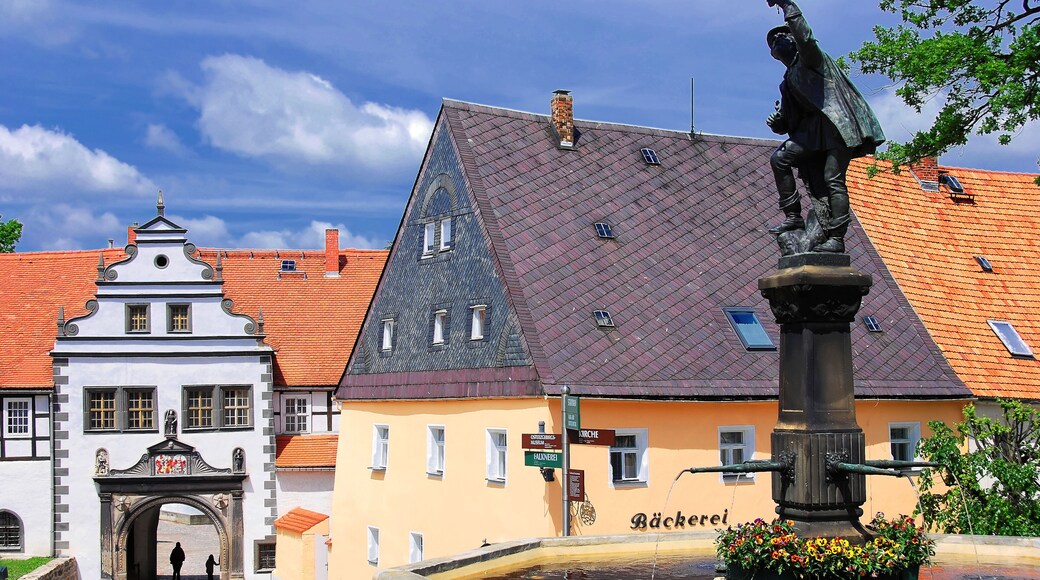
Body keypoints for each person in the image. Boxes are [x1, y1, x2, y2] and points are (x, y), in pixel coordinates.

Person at [765, 0, 885, 253]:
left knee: (833, 180)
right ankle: (793, 215)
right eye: (772, 40)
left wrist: (787, 5)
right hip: (813, 132)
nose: (776, 39)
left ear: (793, 40)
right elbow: (789, 122)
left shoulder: (811, 59)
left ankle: (836, 239)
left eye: (781, 35)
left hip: (836, 125)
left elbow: (805, 36)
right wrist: (779, 124)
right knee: (780, 159)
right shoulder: (787, 81)